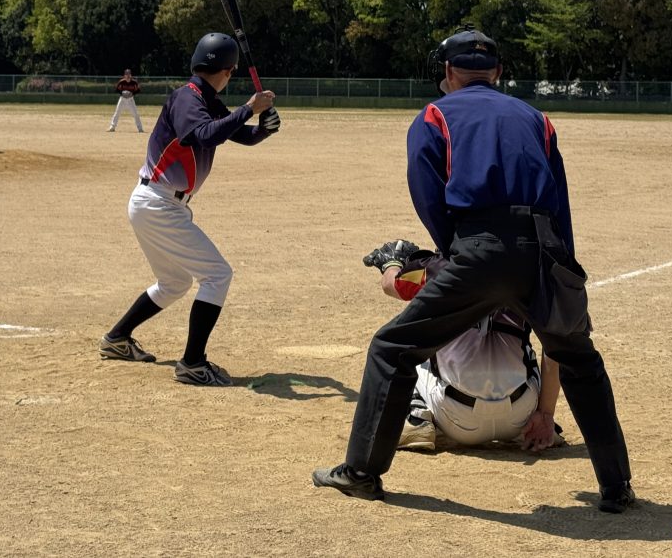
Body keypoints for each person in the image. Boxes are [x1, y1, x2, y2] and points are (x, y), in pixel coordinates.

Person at [312, 27, 635, 513]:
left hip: (481, 245)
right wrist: (560, 267)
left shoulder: (435, 114)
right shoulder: (536, 117)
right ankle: (616, 489)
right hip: (544, 247)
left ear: (447, 73)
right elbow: (560, 199)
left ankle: (361, 472)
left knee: (393, 347)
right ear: (498, 73)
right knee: (579, 360)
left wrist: (457, 253)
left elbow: (428, 194)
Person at [99, 32, 280, 386]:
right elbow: (204, 134)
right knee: (217, 275)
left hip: (158, 204)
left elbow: (235, 134)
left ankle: (116, 339)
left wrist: (262, 130)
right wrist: (248, 108)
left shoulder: (205, 98)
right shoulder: (187, 98)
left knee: (174, 282)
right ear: (227, 72)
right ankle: (193, 363)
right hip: (158, 204)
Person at [363, 240, 562, 454]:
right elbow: (555, 349)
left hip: (456, 420)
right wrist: (545, 413)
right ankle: (542, 423)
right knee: (530, 348)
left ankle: (416, 418)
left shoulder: (436, 267)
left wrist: (391, 264)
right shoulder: (528, 270)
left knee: (412, 341)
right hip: (521, 415)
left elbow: (390, 285)